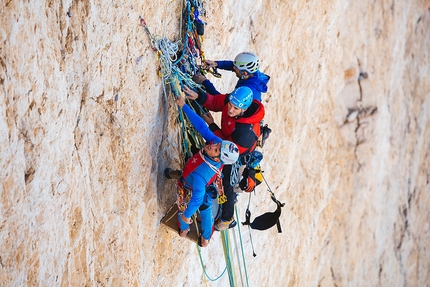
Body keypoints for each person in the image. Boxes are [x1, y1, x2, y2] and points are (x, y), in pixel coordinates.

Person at [182, 85, 265, 231]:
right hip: (225, 143)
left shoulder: (244, 134)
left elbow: (225, 148)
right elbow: (216, 101)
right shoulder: (234, 101)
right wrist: (199, 97)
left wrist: (212, 126)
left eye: (235, 109)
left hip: (235, 152)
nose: (230, 110)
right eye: (230, 105)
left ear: (243, 110)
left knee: (226, 184)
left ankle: (227, 218)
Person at [164, 92, 240, 247]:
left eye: (216, 149)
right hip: (203, 184)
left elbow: (195, 199)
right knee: (205, 207)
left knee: (184, 210)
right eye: (217, 145)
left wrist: (186, 218)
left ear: (219, 159)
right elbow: (202, 127)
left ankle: (184, 230)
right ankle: (205, 238)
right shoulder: (217, 144)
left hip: (191, 183)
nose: (213, 145)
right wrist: (183, 106)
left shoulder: (201, 174)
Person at [194, 52, 270, 102]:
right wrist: (216, 64)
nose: (233, 68)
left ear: (244, 73)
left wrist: (205, 82)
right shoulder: (253, 74)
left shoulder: (246, 91)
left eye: (235, 68)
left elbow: (223, 101)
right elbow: (234, 66)